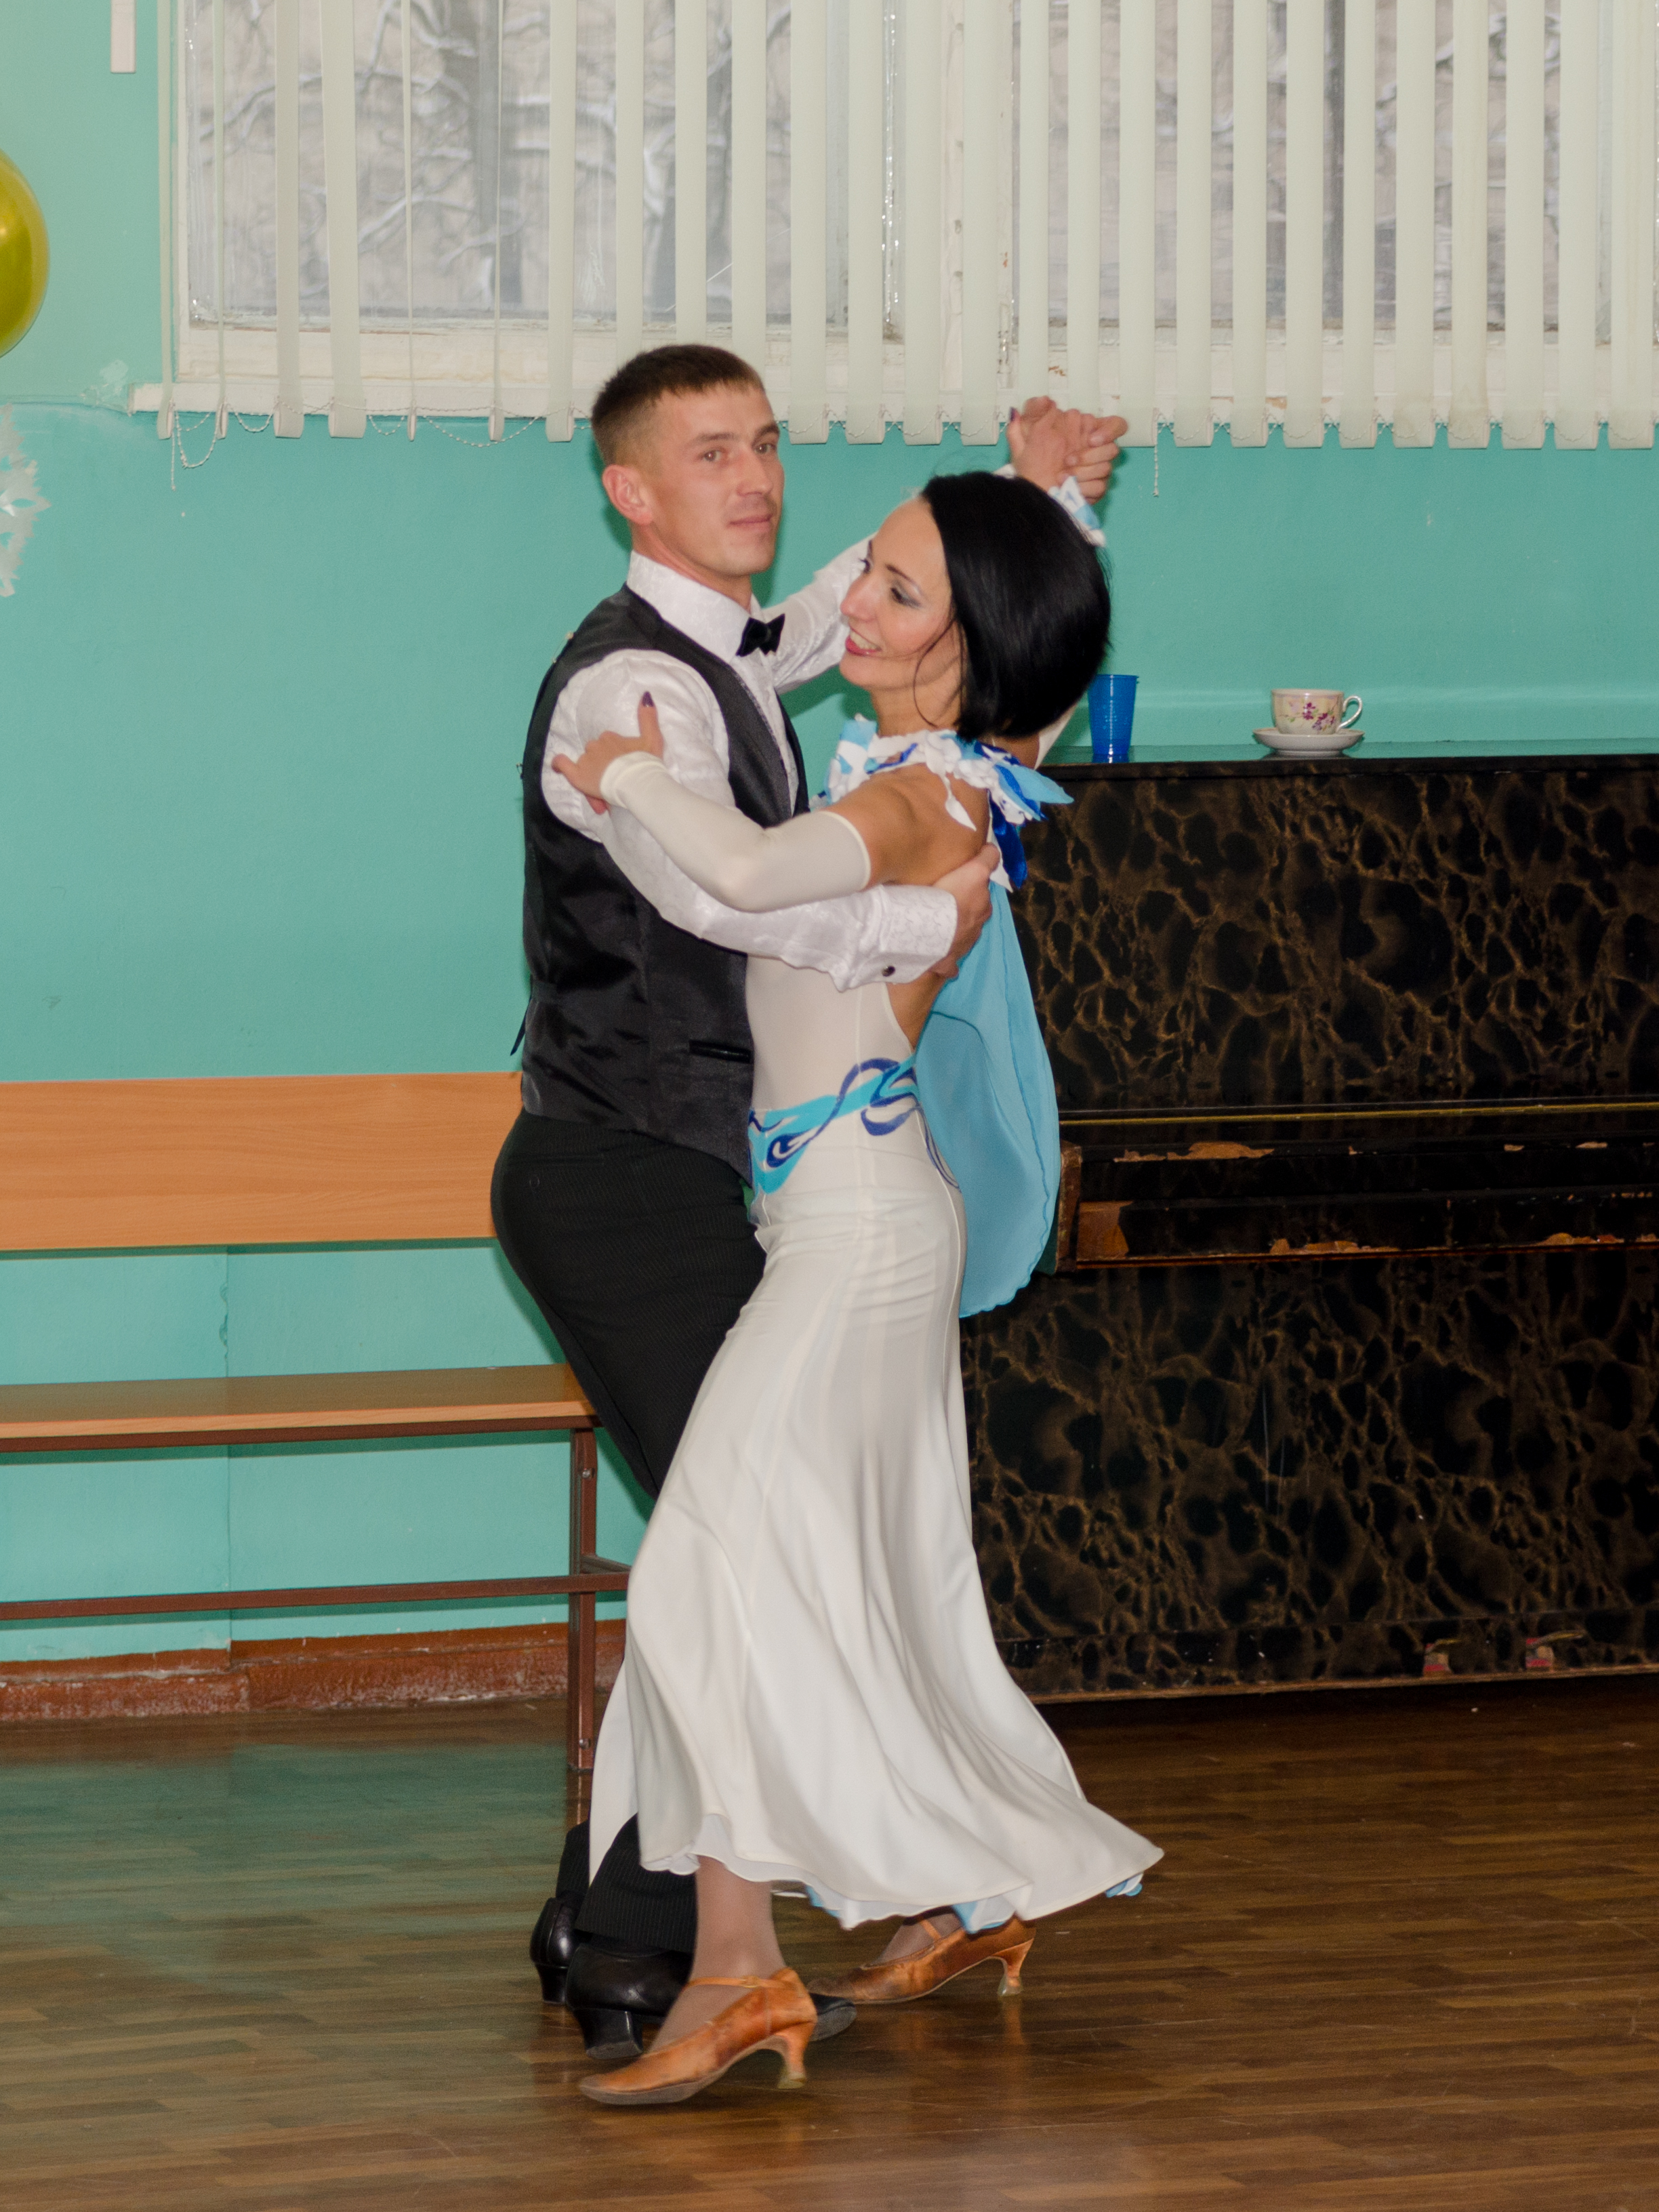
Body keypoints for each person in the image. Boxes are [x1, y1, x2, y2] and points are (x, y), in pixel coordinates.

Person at [492, 342, 1126, 2058]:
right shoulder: (628, 694)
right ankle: (680, 1930)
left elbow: (910, 625)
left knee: (772, 1550)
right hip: (628, 1172)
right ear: (630, 490)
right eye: (711, 453)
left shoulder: (751, 655)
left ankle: (682, 1927)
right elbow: (733, 892)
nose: (759, 478)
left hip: (776, 1189)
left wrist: (1036, 510)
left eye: (767, 442)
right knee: (761, 1553)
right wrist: (923, 914)